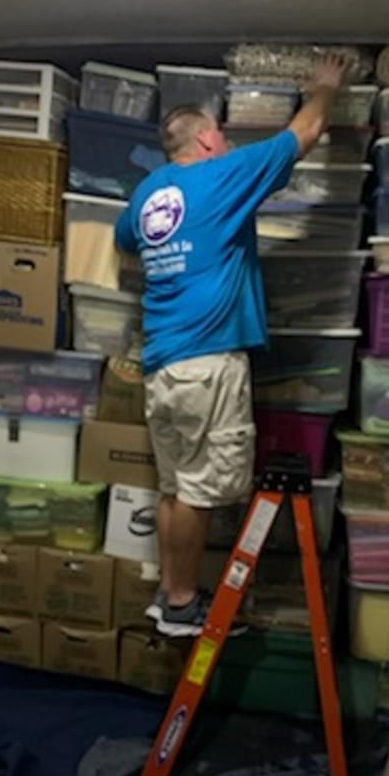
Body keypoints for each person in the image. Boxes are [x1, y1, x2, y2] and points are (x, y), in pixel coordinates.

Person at [114, 54, 347, 637]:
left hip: (163, 364)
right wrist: (323, 89)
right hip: (207, 363)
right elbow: (306, 132)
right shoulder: (221, 175)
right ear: (208, 137)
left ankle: (170, 594)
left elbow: (124, 244)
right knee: (198, 493)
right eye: (219, 129)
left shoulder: (148, 194)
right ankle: (183, 603)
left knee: (174, 488)